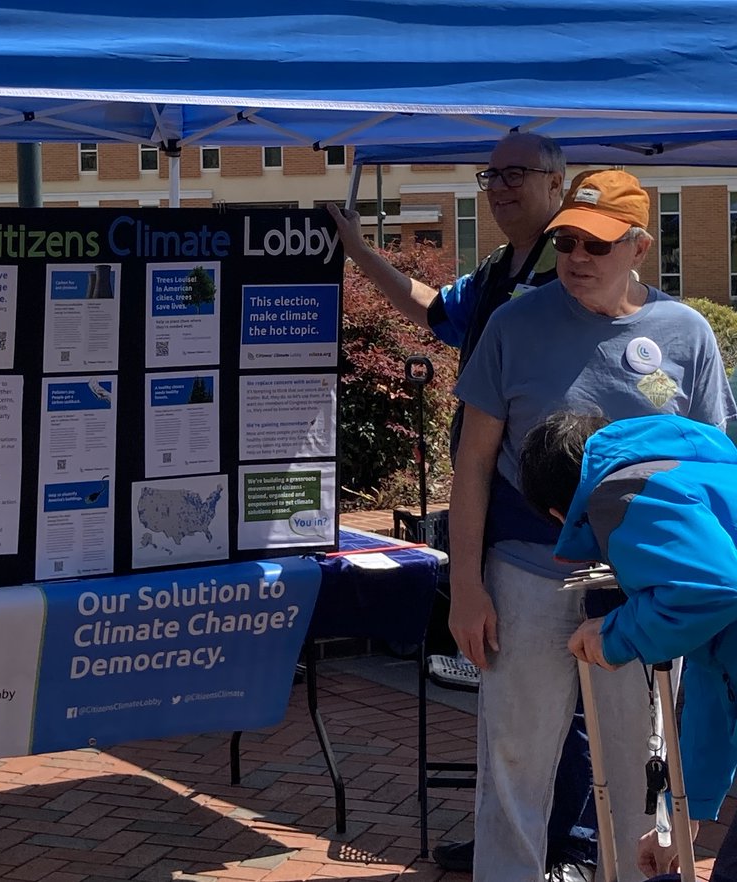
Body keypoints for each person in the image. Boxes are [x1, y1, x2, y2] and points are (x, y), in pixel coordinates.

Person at [449, 168, 736, 882]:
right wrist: (464, 585)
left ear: (639, 248)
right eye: (566, 241)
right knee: (514, 759)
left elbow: (715, 463)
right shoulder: (514, 324)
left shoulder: (686, 332)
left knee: (636, 762)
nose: (576, 258)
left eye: (596, 245)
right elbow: (474, 465)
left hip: (645, 590)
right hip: (526, 571)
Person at [328, 131, 597, 877]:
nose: (501, 186)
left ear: (557, 181)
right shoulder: (497, 273)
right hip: (495, 526)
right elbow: (430, 311)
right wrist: (360, 253)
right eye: (491, 175)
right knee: (510, 698)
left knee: (566, 705)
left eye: (517, 173)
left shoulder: (573, 260)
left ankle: (573, 847)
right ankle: (511, 840)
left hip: (559, 528)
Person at [518, 410, 737, 881]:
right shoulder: (707, 475)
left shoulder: (625, 495)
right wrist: (677, 820)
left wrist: (615, 634)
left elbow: (713, 586)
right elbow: (715, 672)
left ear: (559, 512)